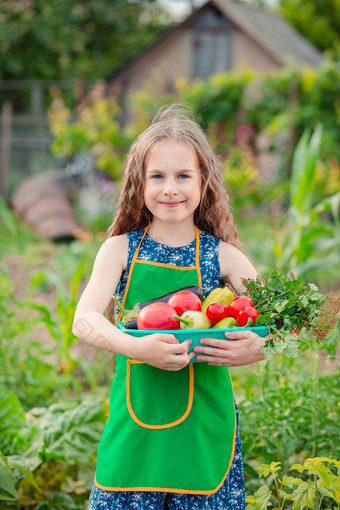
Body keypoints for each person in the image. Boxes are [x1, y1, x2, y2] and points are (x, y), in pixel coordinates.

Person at [72, 104, 267, 510]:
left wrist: (256, 349)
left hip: (204, 433)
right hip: (135, 429)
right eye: (157, 176)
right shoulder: (119, 250)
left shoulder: (225, 257)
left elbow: (280, 321)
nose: (170, 188)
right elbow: (84, 320)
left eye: (183, 176)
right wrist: (137, 348)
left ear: (204, 181)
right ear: (138, 184)